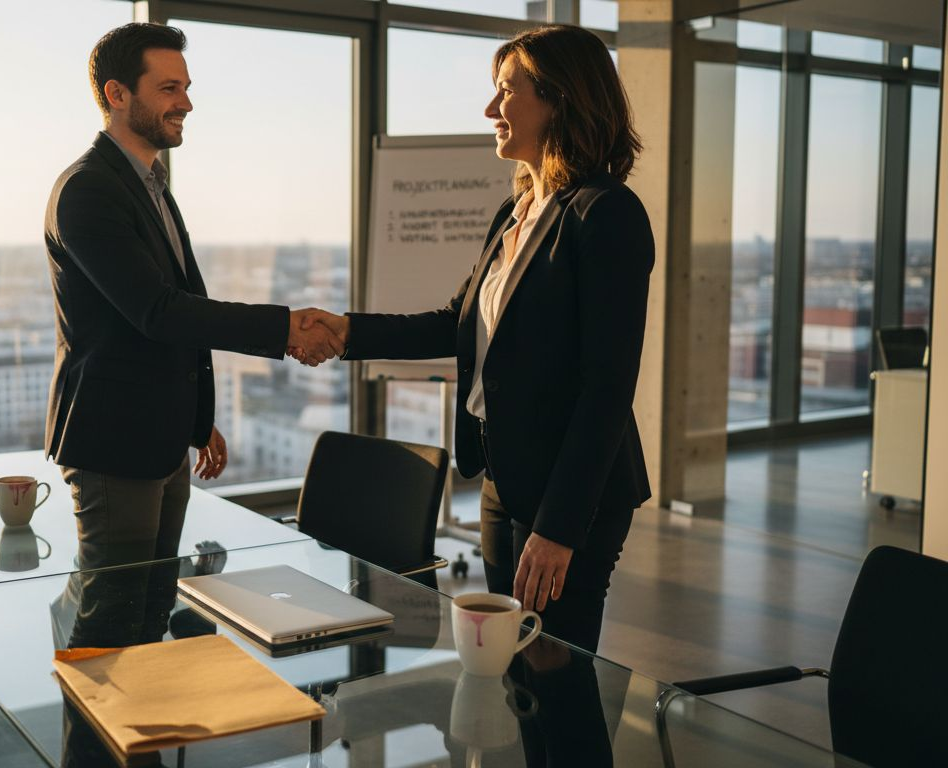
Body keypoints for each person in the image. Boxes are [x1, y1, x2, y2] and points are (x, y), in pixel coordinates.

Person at [301, 24, 653, 654]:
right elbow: (457, 323)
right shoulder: (517, 211)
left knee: (554, 673)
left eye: (506, 91)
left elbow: (607, 389)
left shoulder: (607, 213)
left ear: (560, 98)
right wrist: (347, 332)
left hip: (570, 492)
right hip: (503, 477)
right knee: (509, 667)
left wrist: (559, 528)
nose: (491, 109)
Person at [45, 23, 343, 577]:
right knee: (113, 616)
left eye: (185, 87)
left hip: (161, 437)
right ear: (117, 94)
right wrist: (284, 328)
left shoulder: (150, 185)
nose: (186, 103)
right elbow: (158, 312)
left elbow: (181, 305)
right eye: (169, 88)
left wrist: (197, 420)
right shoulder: (88, 190)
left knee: (157, 598)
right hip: (116, 443)